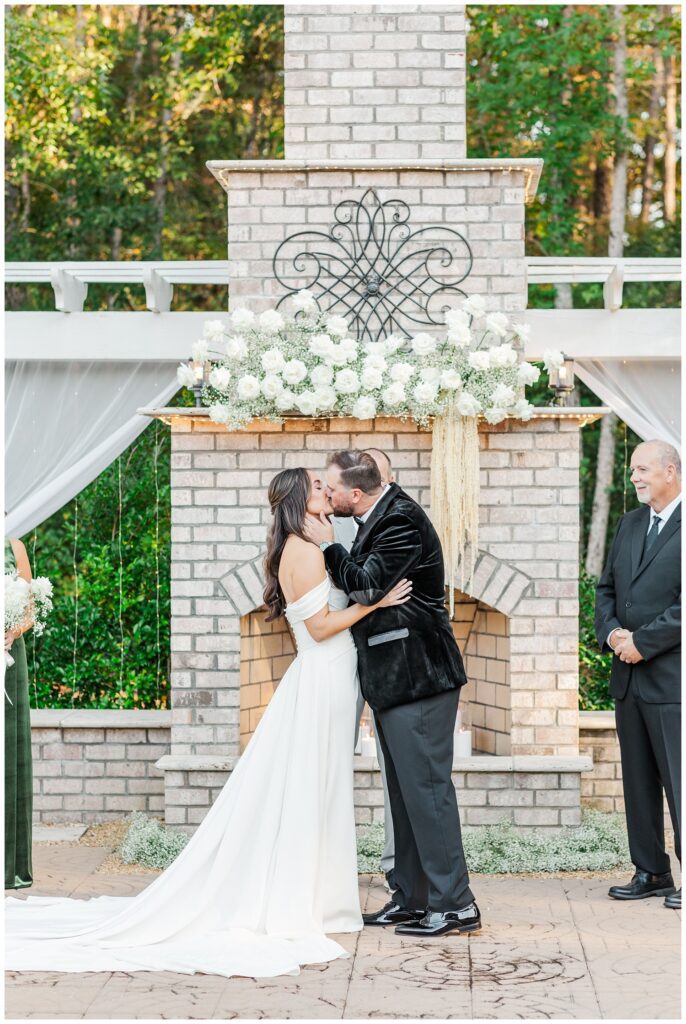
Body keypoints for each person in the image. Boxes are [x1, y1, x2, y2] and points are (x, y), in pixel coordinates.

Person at [5, 468, 412, 978]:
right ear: (296, 501)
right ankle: (303, 901)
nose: (325, 492)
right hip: (323, 678)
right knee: (313, 787)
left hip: (330, 677)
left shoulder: (312, 543)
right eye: (315, 488)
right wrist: (375, 601)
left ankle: (322, 898)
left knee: (322, 786)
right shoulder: (302, 552)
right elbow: (322, 625)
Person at [304, 450, 480, 938]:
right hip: (393, 681)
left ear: (355, 494)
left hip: (419, 676)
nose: (329, 495)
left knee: (427, 793)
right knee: (404, 796)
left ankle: (456, 905)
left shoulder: (400, 520)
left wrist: (328, 547)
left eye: (332, 489)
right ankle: (412, 898)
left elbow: (364, 587)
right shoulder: (375, 516)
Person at [595, 439, 681, 910]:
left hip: (672, 679)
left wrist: (642, 643)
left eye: (643, 470)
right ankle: (652, 871)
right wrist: (612, 637)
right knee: (639, 781)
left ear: (671, 470)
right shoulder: (629, 524)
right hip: (628, 679)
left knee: (680, 780)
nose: (635, 478)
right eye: (632, 471)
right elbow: (606, 589)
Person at [5, 536, 34, 891]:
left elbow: (30, 610)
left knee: (8, 747)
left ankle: (10, 865)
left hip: (10, 656)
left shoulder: (15, 546)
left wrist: (13, 630)